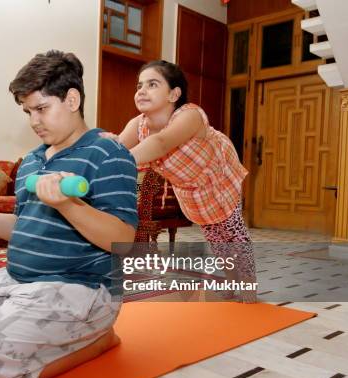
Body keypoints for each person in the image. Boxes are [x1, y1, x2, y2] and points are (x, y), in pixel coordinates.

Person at [0, 50, 138, 378]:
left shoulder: (108, 153)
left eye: (41, 109)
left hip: (80, 287)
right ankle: (26, 334)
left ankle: (98, 341)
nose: (34, 120)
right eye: (28, 112)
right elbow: (22, 227)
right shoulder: (32, 160)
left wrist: (69, 205)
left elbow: (124, 241)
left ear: (72, 99)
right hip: (17, 281)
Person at [101, 60, 256, 303]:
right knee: (215, 234)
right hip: (193, 188)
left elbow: (161, 143)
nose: (141, 90)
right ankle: (231, 280)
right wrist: (106, 150)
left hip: (217, 175)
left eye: (152, 84)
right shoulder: (137, 125)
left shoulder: (190, 115)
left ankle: (247, 286)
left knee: (233, 232)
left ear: (174, 93)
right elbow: (117, 147)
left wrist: (123, 160)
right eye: (139, 85)